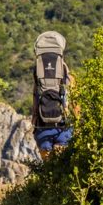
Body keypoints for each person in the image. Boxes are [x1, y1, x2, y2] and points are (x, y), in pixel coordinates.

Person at [31, 30, 76, 160]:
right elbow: (75, 104)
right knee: (62, 167)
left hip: (42, 126)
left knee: (48, 167)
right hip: (64, 127)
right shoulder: (68, 77)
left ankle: (47, 180)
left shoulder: (38, 75)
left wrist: (34, 118)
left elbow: (35, 98)